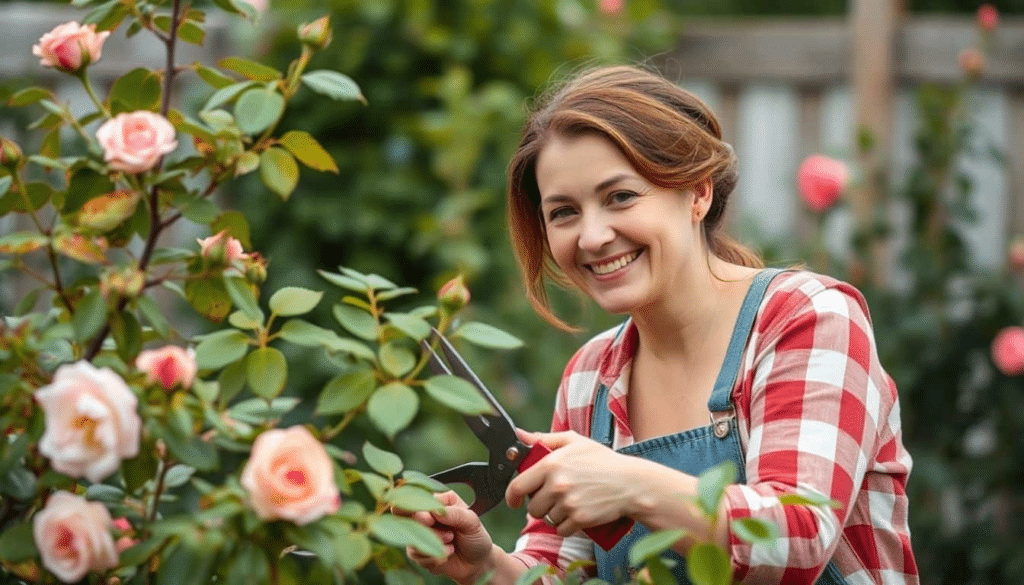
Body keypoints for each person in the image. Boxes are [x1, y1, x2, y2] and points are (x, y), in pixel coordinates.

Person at [406, 65, 919, 585]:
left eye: (620, 197)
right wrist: (485, 567)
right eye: (563, 212)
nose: (592, 236)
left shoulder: (804, 318)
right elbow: (564, 570)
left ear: (697, 193)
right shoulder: (591, 378)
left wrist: (629, 484)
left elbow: (799, 537)